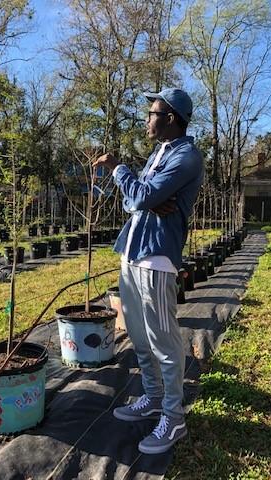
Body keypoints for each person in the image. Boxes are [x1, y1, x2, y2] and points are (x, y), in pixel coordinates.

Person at [93, 88, 204, 454]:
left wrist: (118, 169)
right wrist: (144, 196)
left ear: (171, 118)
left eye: (153, 112)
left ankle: (174, 418)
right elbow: (135, 202)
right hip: (131, 252)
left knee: (164, 342)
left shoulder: (187, 156)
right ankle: (154, 397)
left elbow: (139, 196)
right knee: (139, 337)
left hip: (156, 257)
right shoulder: (160, 153)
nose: (147, 118)